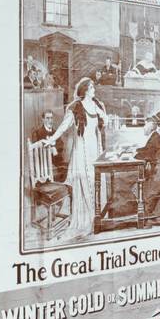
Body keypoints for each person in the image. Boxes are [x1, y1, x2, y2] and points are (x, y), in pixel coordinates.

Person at [39, 78, 106, 239]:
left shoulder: (96, 104)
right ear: (85, 90)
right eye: (91, 88)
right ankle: (87, 217)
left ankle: (98, 215)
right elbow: (63, 127)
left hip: (95, 149)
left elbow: (106, 120)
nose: (94, 90)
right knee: (85, 182)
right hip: (82, 151)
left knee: (96, 180)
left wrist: (102, 113)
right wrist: (51, 139)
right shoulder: (75, 107)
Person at [30, 110, 67, 182]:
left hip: (56, 164)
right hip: (43, 166)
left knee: (67, 171)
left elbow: (61, 145)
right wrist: (48, 151)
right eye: (47, 118)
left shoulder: (56, 133)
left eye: (51, 118)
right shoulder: (37, 133)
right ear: (43, 119)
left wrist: (55, 149)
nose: (50, 120)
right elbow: (35, 150)